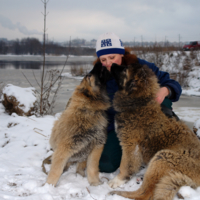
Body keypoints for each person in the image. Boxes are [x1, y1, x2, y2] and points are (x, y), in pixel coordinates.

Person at [93, 32, 182, 173]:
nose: (108, 63)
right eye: (103, 59)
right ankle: (133, 151)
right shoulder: (97, 77)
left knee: (165, 104)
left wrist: (164, 90)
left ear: (121, 54)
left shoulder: (141, 66)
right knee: (105, 164)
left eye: (112, 57)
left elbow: (171, 83)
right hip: (119, 126)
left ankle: (165, 140)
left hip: (148, 120)